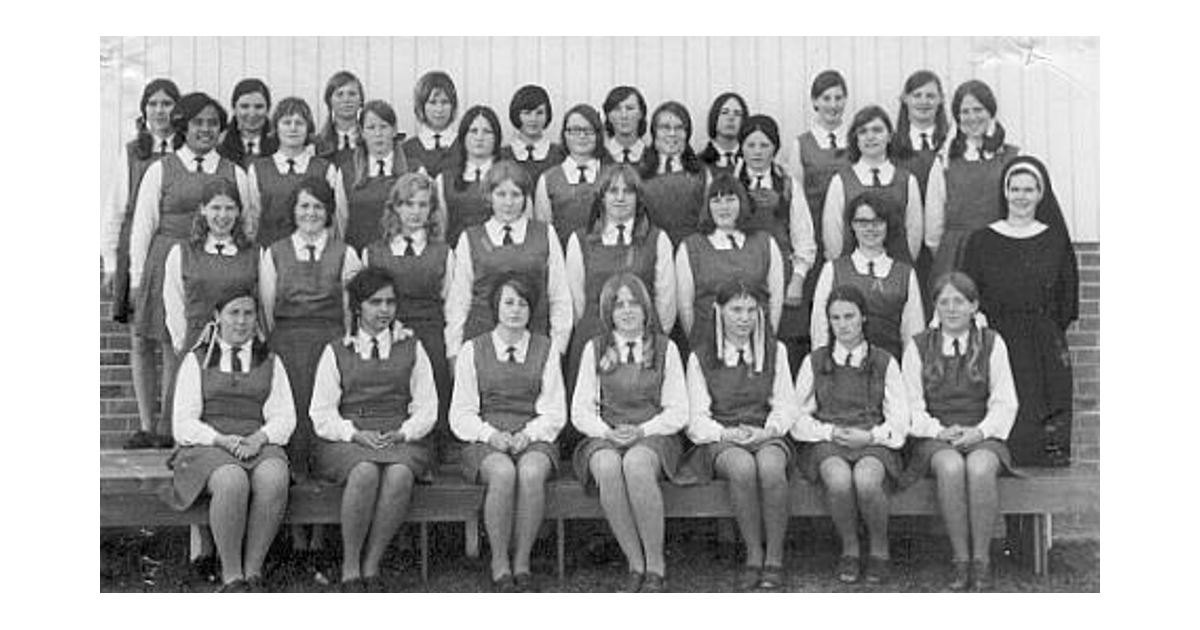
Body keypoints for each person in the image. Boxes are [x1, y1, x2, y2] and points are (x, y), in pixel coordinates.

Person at [128, 91, 252, 449]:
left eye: (213, 123)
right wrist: (137, 278)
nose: (206, 130)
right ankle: (164, 428)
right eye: (198, 122)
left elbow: (248, 223)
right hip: (170, 261)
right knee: (173, 345)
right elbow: (143, 225)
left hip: (219, 265)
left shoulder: (234, 172)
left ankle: (202, 426)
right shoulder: (161, 168)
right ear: (184, 125)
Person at [310, 267, 438, 591]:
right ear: (357, 306)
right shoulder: (337, 349)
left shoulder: (411, 346)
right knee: (364, 470)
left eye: (390, 302)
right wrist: (353, 433)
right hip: (348, 438)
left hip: (399, 434)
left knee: (399, 474)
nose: (384, 310)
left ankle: (372, 563)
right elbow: (321, 412)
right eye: (375, 302)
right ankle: (350, 563)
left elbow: (427, 406)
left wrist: (405, 433)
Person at [259, 176, 363, 573]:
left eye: (318, 207)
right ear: (293, 211)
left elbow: (351, 311)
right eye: (303, 206)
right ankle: (295, 533)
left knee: (323, 427)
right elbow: (267, 309)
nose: (310, 214)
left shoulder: (345, 253)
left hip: (329, 348)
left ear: (329, 212)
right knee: (293, 429)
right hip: (288, 348)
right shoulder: (275, 254)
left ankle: (321, 533)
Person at [164, 288, 295, 592]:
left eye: (248, 314)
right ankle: (231, 575)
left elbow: (284, 416)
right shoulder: (197, 360)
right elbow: (183, 423)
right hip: (207, 445)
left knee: (275, 477)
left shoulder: (271, 361)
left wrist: (260, 438)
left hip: (255, 440)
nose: (241, 321)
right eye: (233, 313)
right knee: (231, 480)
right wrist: (220, 440)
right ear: (217, 317)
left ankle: (253, 570)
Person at [570, 273, 689, 593]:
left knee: (635, 465)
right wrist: (607, 433)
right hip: (605, 434)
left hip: (653, 435)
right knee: (608, 467)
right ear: (608, 311)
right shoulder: (595, 349)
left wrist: (643, 430)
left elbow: (678, 411)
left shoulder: (666, 348)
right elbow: (581, 410)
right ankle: (634, 562)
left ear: (646, 308)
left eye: (634, 303)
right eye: (618, 304)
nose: (627, 310)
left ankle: (655, 563)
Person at [901, 271, 1018, 591]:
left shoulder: (992, 342)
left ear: (973, 306)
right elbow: (911, 404)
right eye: (944, 302)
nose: (951, 309)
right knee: (951, 467)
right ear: (935, 307)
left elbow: (1005, 401)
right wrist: (938, 431)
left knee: (980, 468)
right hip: (937, 437)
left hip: (982, 434)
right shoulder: (919, 346)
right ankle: (960, 559)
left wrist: (979, 433)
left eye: (959, 301)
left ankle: (981, 560)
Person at [450, 276, 566, 592]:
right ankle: (499, 561)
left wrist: (528, 435)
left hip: (533, 435)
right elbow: (460, 412)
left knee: (530, 472)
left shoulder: (545, 348)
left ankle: (522, 562)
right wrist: (491, 436)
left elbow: (554, 410)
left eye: (523, 304)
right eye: (509, 303)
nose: (516, 311)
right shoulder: (473, 350)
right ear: (496, 307)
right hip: (486, 438)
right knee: (502, 472)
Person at [962, 155, 1077, 467]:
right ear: (1005, 193)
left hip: (1043, 347)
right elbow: (966, 291)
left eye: (1029, 189)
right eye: (1014, 189)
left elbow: (1068, 297)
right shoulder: (982, 239)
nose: (1021, 196)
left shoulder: (1055, 239)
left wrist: (1047, 331)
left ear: (1041, 194)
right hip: (997, 340)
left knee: (1042, 432)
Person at [683, 281, 798, 590]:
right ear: (719, 312)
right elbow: (696, 418)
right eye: (736, 310)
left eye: (751, 310)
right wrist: (727, 433)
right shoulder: (701, 357)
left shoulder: (775, 351)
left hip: (763, 431)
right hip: (721, 437)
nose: (744, 318)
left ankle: (774, 556)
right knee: (742, 467)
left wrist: (768, 431)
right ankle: (753, 553)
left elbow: (786, 404)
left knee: (772, 467)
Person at [792, 284, 909, 585]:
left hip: (872, 439)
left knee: (867, 480)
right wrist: (829, 432)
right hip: (829, 441)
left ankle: (880, 549)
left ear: (863, 318)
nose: (843, 325)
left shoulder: (883, 361)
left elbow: (899, 419)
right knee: (839, 479)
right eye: (836, 318)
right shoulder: (815, 361)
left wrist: (870, 437)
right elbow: (797, 417)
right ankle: (850, 549)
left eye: (849, 316)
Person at [100, 77, 180, 449]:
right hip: (137, 251)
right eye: (154, 103)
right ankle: (147, 424)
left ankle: (167, 425)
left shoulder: (185, 151)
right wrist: (111, 264)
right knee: (140, 339)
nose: (160, 111)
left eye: (167, 104)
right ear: (144, 109)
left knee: (169, 339)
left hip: (171, 250)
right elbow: (116, 209)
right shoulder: (133, 151)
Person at [362, 172, 455, 460]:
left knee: (432, 395)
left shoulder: (443, 252)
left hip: (431, 332)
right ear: (395, 208)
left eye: (423, 205)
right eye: (408, 204)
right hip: (391, 333)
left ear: (431, 210)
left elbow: (451, 301)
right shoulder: (374, 252)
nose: (415, 212)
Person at [564, 163, 675, 396]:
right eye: (613, 191)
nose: (621, 198)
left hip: (643, 340)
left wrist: (647, 333)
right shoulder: (580, 240)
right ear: (602, 197)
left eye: (628, 191)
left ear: (639, 198)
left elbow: (666, 302)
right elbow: (575, 300)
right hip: (593, 337)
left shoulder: (657, 239)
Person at [445, 160, 571, 362]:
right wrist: (454, 351)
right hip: (481, 342)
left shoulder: (545, 234)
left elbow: (559, 295)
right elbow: (459, 300)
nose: (508, 202)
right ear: (489, 197)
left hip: (535, 342)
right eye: (501, 194)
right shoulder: (471, 238)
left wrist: (557, 349)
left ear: (525, 198)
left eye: (515, 195)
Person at [734, 114, 817, 375]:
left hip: (783, 275)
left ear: (775, 148)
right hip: (743, 273)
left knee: (787, 344)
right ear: (741, 148)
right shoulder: (730, 185)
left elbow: (804, 238)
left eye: (764, 145)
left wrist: (798, 280)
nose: (757, 152)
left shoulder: (789, 185)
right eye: (750, 145)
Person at [925, 79, 1019, 289]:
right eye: (965, 111)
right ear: (957, 117)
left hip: (1000, 250)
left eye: (978, 110)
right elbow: (933, 225)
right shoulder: (944, 162)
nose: (972, 117)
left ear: (991, 112)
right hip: (955, 256)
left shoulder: (1011, 158)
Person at [810, 192, 924, 362]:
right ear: (852, 226)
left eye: (877, 222)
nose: (870, 229)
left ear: (887, 225)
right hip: (842, 367)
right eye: (862, 222)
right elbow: (820, 327)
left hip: (889, 368)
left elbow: (913, 332)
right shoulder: (832, 270)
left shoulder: (905, 274)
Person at [676, 172, 784, 351]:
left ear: (742, 203)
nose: (723, 207)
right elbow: (685, 306)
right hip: (707, 345)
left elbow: (775, 298)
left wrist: (766, 338)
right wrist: (699, 344)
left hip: (756, 343)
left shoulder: (765, 243)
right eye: (716, 201)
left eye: (730, 200)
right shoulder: (690, 247)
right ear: (707, 207)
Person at [163, 179, 259, 357]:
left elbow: (264, 304)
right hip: (194, 343)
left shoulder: (255, 254)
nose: (222, 216)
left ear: (238, 212)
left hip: (240, 347)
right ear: (203, 210)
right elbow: (173, 301)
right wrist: (182, 344)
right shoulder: (181, 253)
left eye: (229, 208)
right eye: (216, 208)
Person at [822, 106, 923, 264]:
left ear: (889, 136)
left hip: (898, 271)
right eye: (863, 132)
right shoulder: (840, 181)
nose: (870, 137)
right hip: (851, 272)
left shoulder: (907, 180)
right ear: (856, 139)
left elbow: (914, 233)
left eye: (877, 130)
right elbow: (833, 235)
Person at [245, 96, 347, 248]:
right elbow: (252, 220)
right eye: (286, 122)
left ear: (308, 128)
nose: (293, 128)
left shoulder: (326, 169)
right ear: (276, 127)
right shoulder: (258, 170)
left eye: (299, 123)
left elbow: (337, 220)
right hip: (270, 252)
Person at [891, 70, 951, 315]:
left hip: (944, 245)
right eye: (917, 95)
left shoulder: (952, 142)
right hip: (905, 244)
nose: (924, 101)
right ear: (905, 99)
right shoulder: (892, 146)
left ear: (941, 100)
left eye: (931, 95)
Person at [533, 103, 608, 249]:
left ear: (598, 135)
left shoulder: (611, 175)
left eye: (588, 130)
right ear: (565, 134)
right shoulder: (548, 180)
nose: (582, 136)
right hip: (563, 259)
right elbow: (544, 231)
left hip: (604, 259)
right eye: (574, 130)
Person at [341, 100, 410, 253]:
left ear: (394, 130)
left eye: (384, 127)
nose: (378, 134)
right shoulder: (347, 172)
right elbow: (340, 220)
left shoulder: (414, 169)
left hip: (402, 257)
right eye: (371, 128)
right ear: (362, 132)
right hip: (359, 256)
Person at [639, 101, 709, 249]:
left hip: (693, 250)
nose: (672, 133)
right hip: (651, 250)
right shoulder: (639, 172)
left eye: (679, 128)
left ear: (687, 133)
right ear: (654, 132)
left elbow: (708, 218)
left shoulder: (702, 173)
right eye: (665, 127)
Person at [436, 105, 504, 248]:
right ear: (463, 136)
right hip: (457, 257)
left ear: (497, 138)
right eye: (473, 131)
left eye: (487, 132)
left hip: (500, 259)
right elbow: (439, 231)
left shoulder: (509, 176)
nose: (479, 137)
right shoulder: (444, 180)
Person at [500, 84, 566, 185]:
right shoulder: (502, 156)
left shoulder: (560, 154)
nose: (533, 119)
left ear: (547, 115)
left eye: (539, 113)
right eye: (527, 113)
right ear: (516, 114)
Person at [402, 70, 459, 178]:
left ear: (453, 106)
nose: (439, 109)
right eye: (433, 102)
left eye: (445, 102)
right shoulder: (407, 150)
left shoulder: (464, 147)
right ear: (421, 106)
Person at [217, 78, 277, 169]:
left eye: (258, 107)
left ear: (268, 109)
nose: (252, 113)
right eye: (244, 106)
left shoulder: (281, 146)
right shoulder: (218, 145)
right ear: (234, 108)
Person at [313, 70, 364, 164]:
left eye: (352, 94)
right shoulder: (317, 145)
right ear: (329, 101)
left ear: (361, 100)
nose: (346, 100)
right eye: (339, 94)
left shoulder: (370, 141)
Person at [697, 92, 748, 175]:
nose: (731, 118)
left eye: (737, 113)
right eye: (724, 112)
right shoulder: (697, 164)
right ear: (714, 117)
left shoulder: (752, 162)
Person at [602, 85, 648, 165]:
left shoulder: (654, 157)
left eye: (630, 108)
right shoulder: (599, 159)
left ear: (641, 113)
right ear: (608, 116)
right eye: (617, 109)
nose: (624, 116)